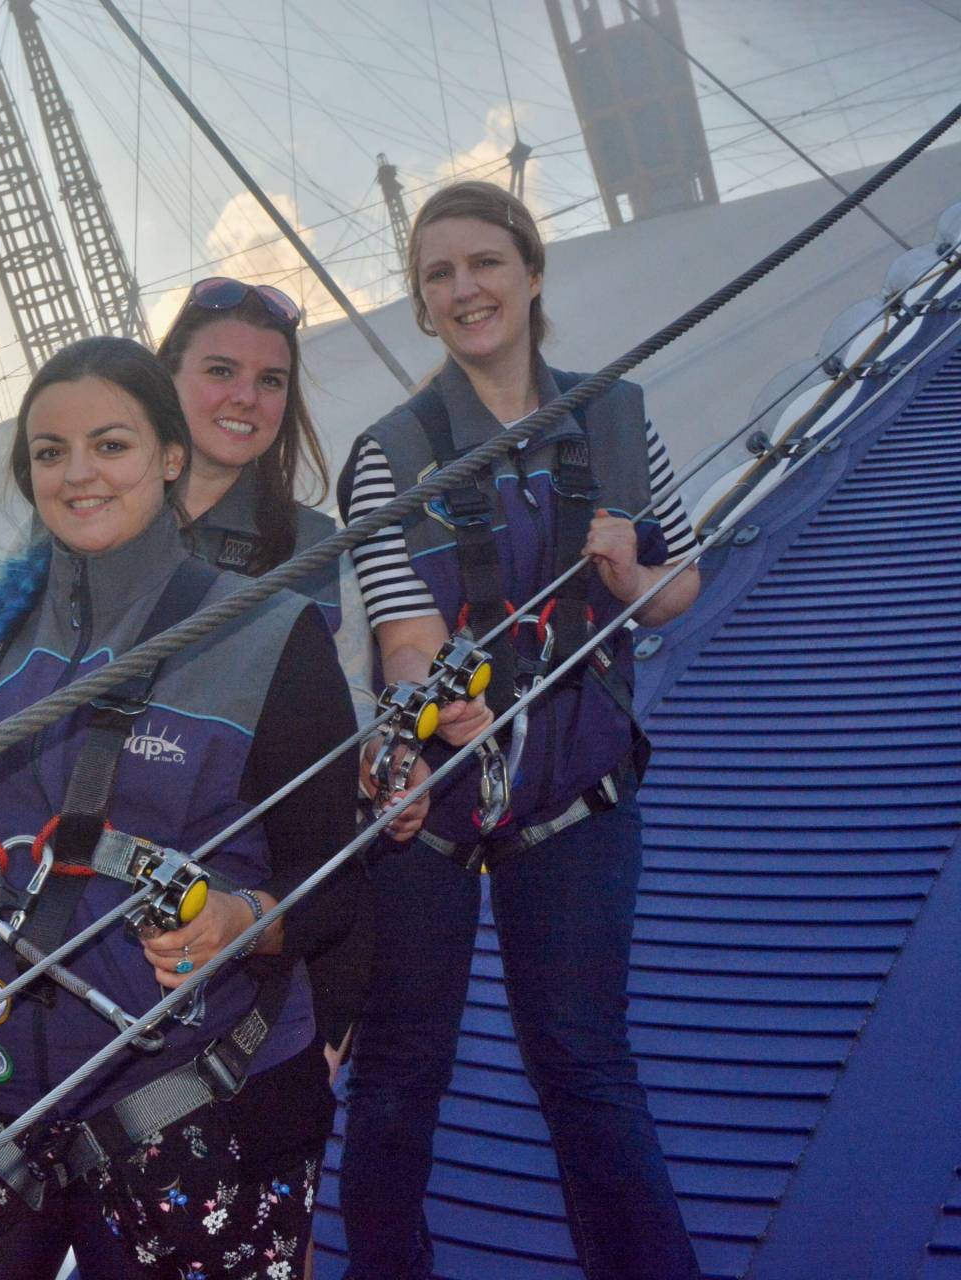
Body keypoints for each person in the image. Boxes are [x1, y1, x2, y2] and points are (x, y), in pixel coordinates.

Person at [0, 335, 362, 1279]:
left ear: (170, 457)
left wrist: (244, 922)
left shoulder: (265, 633)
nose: (78, 474)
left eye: (110, 446)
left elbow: (336, 878)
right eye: (50, 452)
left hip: (194, 1112)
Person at [334, 181, 701, 1280]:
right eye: (438, 274)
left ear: (532, 271)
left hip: (576, 783)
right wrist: (434, 702)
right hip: (435, 801)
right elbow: (405, 635)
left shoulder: (616, 413)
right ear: (420, 304)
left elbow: (680, 580)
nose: (465, 289)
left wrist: (634, 573)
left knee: (585, 1061)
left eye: (484, 262)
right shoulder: (388, 456)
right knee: (401, 1069)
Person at [156, 278, 414, 1192]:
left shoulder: (310, 543)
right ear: (166, 380)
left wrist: (386, 769)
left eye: (271, 381)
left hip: (279, 928)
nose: (247, 398)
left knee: (267, 1212)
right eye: (220, 370)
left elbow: (342, 727)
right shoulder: (93, 529)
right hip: (120, 927)